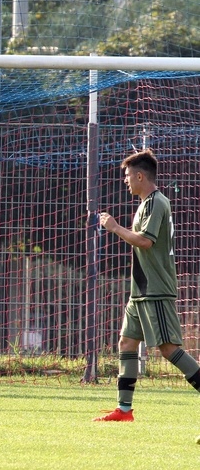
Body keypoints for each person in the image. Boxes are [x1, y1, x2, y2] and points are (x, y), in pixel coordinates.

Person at [94, 149, 200, 421]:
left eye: (128, 176)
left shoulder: (156, 202)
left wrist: (115, 227)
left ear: (140, 175)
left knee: (168, 348)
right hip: (140, 291)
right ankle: (124, 410)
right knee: (127, 342)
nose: (126, 181)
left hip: (155, 289)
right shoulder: (145, 203)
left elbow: (145, 241)